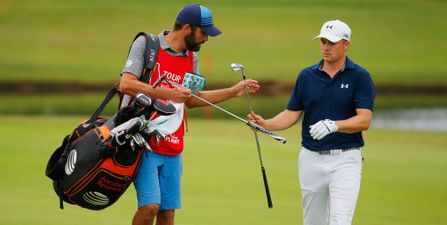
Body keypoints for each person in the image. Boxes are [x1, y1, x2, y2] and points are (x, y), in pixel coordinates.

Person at [119, 4, 260, 225]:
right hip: (142, 141)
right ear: (187, 28)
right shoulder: (147, 44)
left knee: (167, 214)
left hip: (173, 145)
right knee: (149, 207)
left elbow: (191, 99)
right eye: (203, 32)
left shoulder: (191, 58)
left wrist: (233, 91)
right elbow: (126, 84)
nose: (206, 38)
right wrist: (166, 93)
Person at [248, 19, 375, 225]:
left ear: (346, 44)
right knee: (313, 222)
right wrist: (265, 124)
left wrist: (334, 125)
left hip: (345, 159)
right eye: (323, 41)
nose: (325, 47)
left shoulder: (360, 77)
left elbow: (364, 119)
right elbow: (291, 114)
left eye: (331, 43)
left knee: (340, 221)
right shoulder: (307, 76)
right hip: (311, 159)